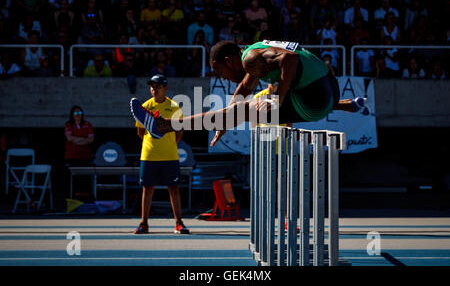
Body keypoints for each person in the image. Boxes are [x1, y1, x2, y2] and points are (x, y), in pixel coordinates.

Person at [130, 40, 370, 145]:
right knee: (247, 103)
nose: (221, 76)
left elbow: (291, 59)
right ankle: (345, 104)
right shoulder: (255, 55)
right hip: (328, 87)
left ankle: (162, 126)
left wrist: (278, 98)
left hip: (314, 99)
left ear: (229, 60)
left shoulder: (250, 59)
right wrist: (224, 122)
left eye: (220, 70)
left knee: (255, 105)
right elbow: (244, 88)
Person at [134, 74, 189, 235]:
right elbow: (140, 132)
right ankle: (144, 223)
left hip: (170, 155)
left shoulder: (173, 107)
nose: (154, 89)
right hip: (149, 155)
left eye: (158, 86)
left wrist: (169, 144)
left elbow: (179, 132)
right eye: (152, 86)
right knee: (147, 189)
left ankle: (179, 223)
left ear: (165, 88)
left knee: (174, 188)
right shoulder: (144, 106)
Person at [63, 105, 94, 201]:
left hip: (85, 157)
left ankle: (85, 201)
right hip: (71, 157)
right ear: (72, 114)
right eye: (76, 113)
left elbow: (91, 139)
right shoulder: (69, 125)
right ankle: (71, 200)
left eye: (80, 113)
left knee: (84, 180)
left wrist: (76, 140)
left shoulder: (87, 124)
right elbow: (69, 138)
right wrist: (83, 139)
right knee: (72, 181)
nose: (78, 115)